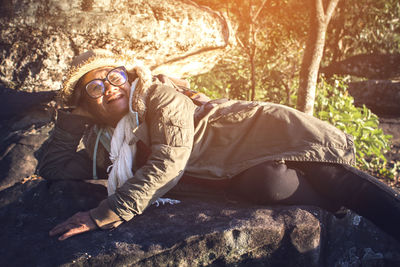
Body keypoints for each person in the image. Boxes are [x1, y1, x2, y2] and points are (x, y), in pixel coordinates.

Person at [39, 49, 400, 242]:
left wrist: (103, 214)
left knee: (335, 178)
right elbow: (54, 168)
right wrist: (74, 116)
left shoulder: (158, 97)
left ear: (129, 76)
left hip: (258, 131)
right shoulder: (111, 149)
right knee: (269, 186)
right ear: (87, 104)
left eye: (113, 76)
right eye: (95, 88)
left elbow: (169, 162)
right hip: (232, 171)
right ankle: (344, 214)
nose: (111, 86)